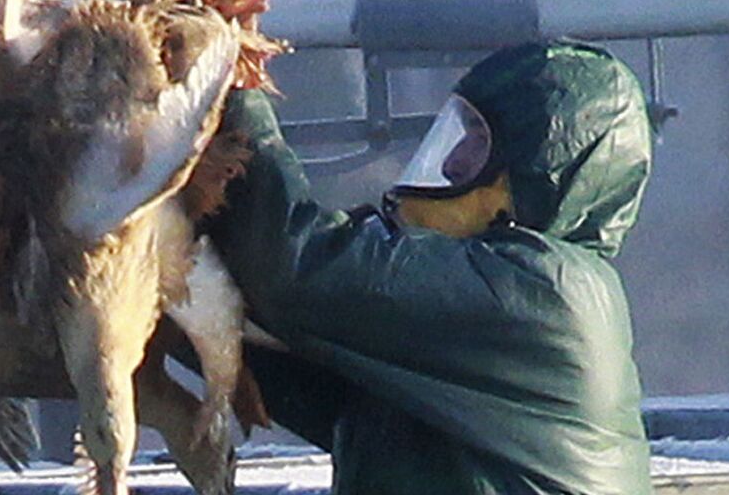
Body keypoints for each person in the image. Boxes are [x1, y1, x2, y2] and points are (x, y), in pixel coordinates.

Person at [205, 40, 656, 494]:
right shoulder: (452, 347)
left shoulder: (544, 294)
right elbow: (304, 354)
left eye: (478, 142)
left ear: (536, 173)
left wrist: (233, 87)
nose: (453, 160)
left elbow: (295, 267)